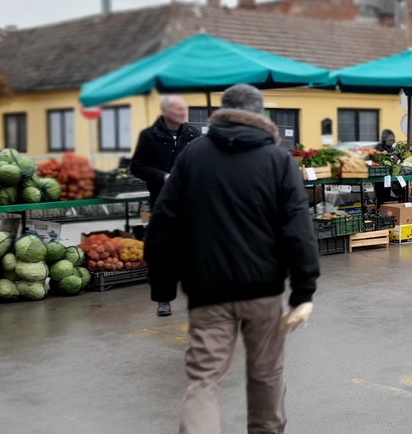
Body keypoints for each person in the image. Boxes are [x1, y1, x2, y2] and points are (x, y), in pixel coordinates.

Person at [144, 84, 320, 434]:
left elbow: (162, 225)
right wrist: (303, 292)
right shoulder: (277, 159)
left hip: (207, 292)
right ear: (260, 116)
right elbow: (299, 230)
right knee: (266, 375)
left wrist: (163, 287)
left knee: (202, 380)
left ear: (221, 114)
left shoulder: (193, 156)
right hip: (263, 293)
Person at [131, 95, 202, 317]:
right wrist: (162, 176)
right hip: (162, 202)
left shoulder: (194, 135)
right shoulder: (148, 136)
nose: (183, 113)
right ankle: (164, 299)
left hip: (190, 202)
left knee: (195, 250)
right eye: (178, 109)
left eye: (184, 109)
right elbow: (137, 166)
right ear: (165, 111)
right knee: (163, 252)